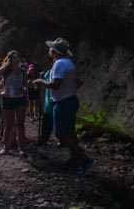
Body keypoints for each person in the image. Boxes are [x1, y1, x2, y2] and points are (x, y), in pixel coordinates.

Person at [33, 37, 97, 176]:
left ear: (55, 51)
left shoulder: (60, 64)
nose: (49, 49)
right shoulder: (68, 62)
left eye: (51, 48)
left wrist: (40, 81)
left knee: (60, 133)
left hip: (63, 102)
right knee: (70, 132)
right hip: (69, 100)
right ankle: (74, 160)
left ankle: (85, 160)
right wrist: (70, 90)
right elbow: (77, 82)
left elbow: (55, 84)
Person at [0, 50, 28, 156]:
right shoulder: (5, 69)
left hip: (20, 99)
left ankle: (21, 148)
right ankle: (6, 147)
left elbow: (24, 84)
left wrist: (24, 89)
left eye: (18, 57)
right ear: (10, 59)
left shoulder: (22, 70)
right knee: (9, 124)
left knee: (20, 125)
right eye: (14, 57)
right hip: (8, 99)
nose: (17, 59)